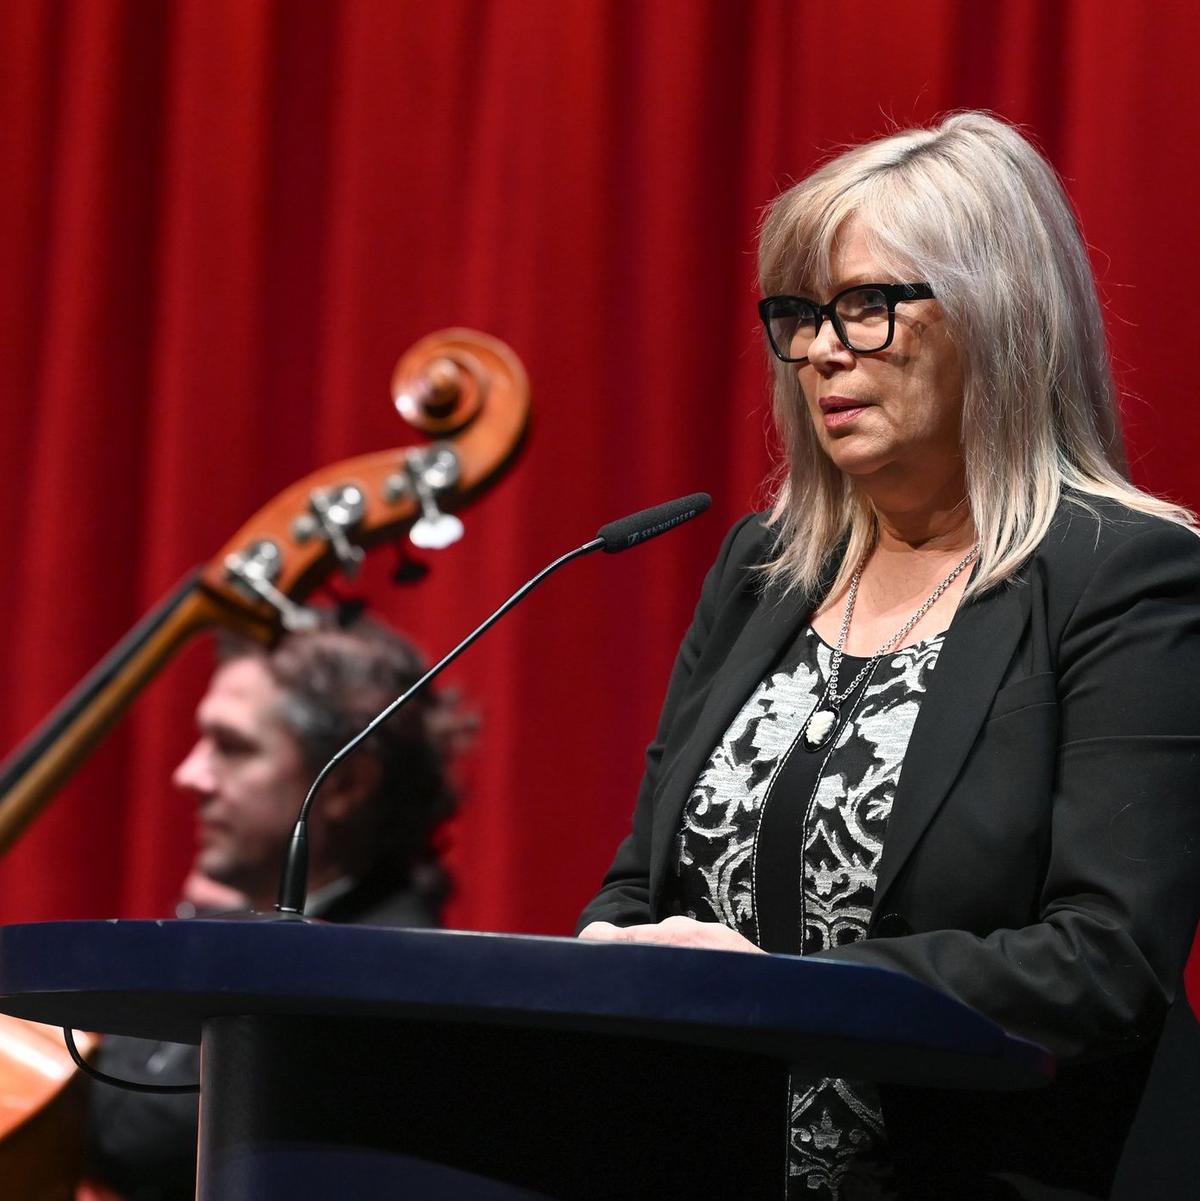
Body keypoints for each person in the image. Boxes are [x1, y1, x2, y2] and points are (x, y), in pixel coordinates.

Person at [578, 111, 1200, 1200]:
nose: (822, 347)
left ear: (997, 317)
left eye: (867, 306)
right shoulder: (767, 565)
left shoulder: (1127, 577)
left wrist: (785, 991)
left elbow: (1104, 964)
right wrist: (604, 956)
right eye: (803, 313)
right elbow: (645, 876)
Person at [84, 615, 472, 1201]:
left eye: (232, 748)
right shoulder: (239, 923)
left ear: (345, 785)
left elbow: (141, 1141)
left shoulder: (386, 971)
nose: (188, 775)